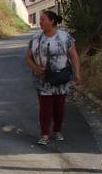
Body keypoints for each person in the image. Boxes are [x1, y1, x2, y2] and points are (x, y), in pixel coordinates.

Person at [25, 10, 81, 145]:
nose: (40, 22)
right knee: (45, 107)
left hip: (61, 78)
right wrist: (36, 68)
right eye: (40, 19)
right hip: (43, 79)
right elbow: (28, 58)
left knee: (59, 106)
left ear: (52, 21)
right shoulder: (36, 39)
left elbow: (73, 55)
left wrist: (77, 72)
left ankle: (57, 131)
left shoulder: (65, 37)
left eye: (43, 19)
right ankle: (44, 134)